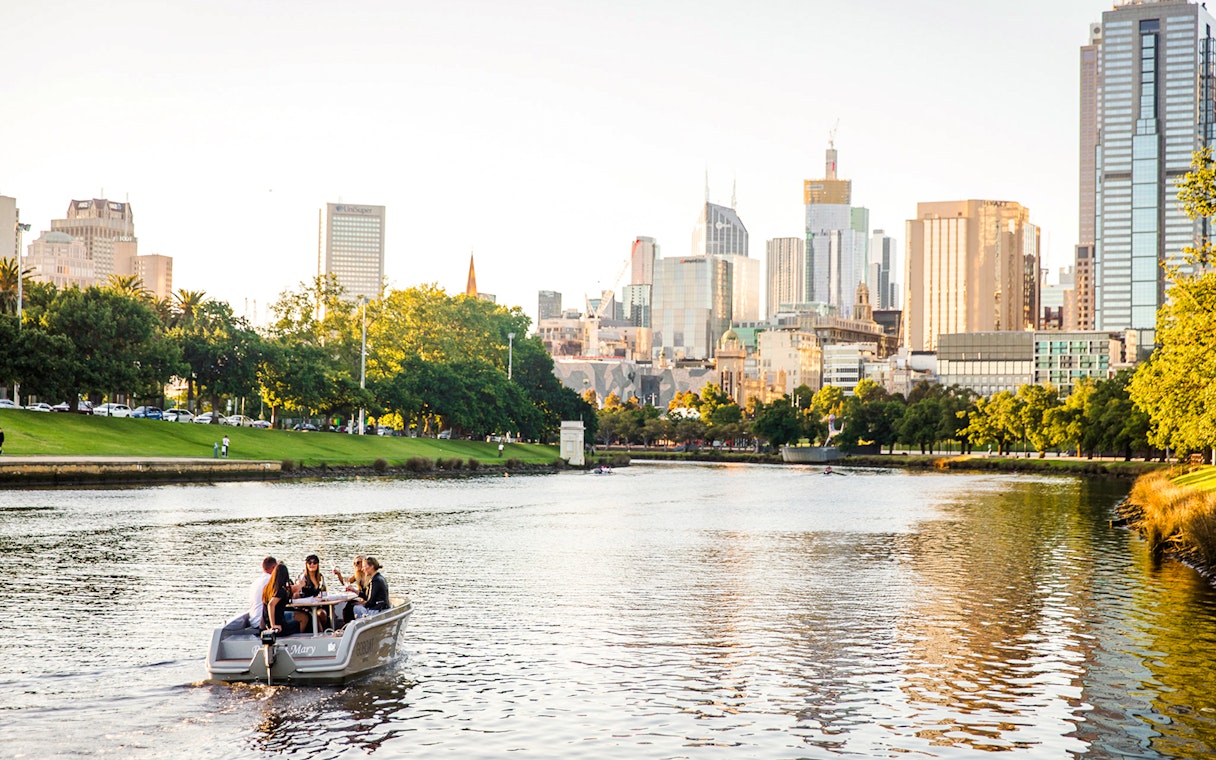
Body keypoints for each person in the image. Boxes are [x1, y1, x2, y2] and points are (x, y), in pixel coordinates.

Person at [224, 556, 276, 634]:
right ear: (273, 567)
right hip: (263, 623)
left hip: (253, 621)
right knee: (298, 617)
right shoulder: (271, 581)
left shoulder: (256, 582)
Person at [345, 556, 390, 624]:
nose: (363, 569)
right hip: (382, 608)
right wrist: (354, 590)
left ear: (371, 566)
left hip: (378, 610)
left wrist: (361, 604)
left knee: (354, 608)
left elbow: (370, 602)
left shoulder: (375, 580)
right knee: (353, 605)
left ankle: (357, 627)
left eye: (364, 566)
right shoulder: (379, 578)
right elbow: (367, 596)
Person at [263, 562, 302, 636]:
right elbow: (271, 604)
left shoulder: (267, 588)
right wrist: (273, 625)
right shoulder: (281, 591)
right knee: (302, 620)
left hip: (266, 624)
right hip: (278, 626)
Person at [296, 554, 329, 630]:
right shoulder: (303, 577)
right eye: (309, 563)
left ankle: (325, 630)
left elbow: (324, 592)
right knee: (317, 615)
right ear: (306, 564)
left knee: (322, 613)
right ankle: (321, 634)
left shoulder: (320, 577)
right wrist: (300, 586)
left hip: (319, 604)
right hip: (307, 606)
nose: (312, 564)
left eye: (315, 562)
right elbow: (297, 592)